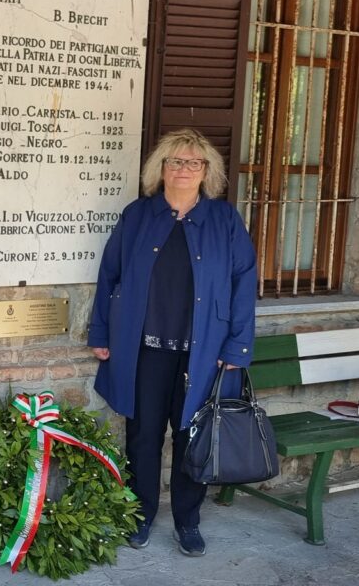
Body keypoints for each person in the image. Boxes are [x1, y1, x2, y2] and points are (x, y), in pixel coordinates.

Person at [87, 128, 257, 557]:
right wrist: (101, 333)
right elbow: (110, 275)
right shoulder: (138, 215)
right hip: (143, 348)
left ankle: (187, 519)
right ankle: (139, 515)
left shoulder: (224, 221)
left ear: (207, 172)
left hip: (202, 352)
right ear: (160, 169)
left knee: (191, 436)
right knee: (143, 435)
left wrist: (237, 347)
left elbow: (243, 283)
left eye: (193, 162)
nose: (184, 169)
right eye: (175, 161)